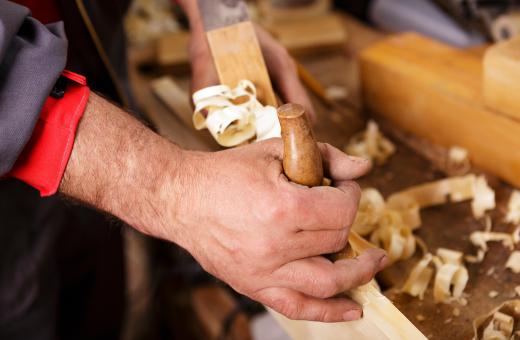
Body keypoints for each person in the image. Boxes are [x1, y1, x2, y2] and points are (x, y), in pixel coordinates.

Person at [0, 0, 388, 338]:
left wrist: (218, 17)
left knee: (98, 292)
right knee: (26, 308)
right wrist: (171, 187)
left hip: (84, 50)